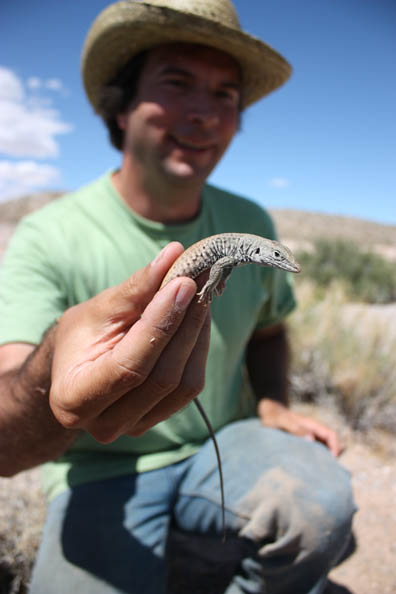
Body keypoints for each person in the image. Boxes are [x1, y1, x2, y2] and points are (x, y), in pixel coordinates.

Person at [0, 1, 355, 593]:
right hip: (97, 468)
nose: (205, 114)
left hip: (226, 436)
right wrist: (52, 371)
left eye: (225, 95)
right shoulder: (48, 234)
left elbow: (270, 327)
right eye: (177, 82)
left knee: (321, 505)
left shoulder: (251, 222)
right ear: (123, 104)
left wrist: (271, 401)